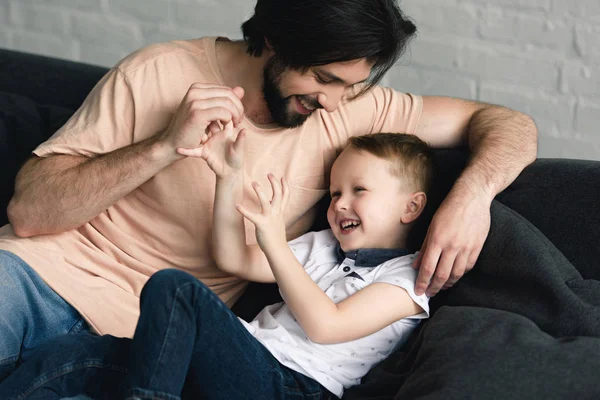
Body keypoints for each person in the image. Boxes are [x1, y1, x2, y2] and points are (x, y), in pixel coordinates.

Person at [0, 0, 538, 382]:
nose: (335, 102)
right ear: (276, 42)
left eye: (353, 85)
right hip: (36, 274)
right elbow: (29, 213)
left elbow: (508, 123)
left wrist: (473, 196)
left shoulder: (350, 112)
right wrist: (164, 145)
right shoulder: (157, 71)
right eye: (325, 79)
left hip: (146, 329)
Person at [0, 130, 433, 399]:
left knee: (175, 289)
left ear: (411, 207)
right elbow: (233, 258)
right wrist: (228, 180)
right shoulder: (322, 246)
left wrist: (274, 240)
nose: (340, 204)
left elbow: (327, 326)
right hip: (234, 364)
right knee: (68, 355)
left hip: (291, 386)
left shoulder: (409, 278)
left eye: (359, 190)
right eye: (335, 192)